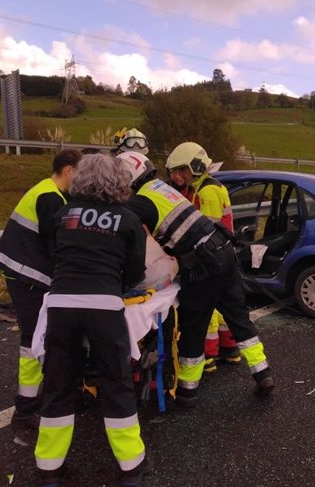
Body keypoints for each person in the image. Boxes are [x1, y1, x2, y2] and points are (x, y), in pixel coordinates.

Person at [117, 152, 274, 408]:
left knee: (193, 325)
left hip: (201, 264)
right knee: (238, 317)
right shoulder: (161, 188)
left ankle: (188, 392)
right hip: (223, 250)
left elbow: (123, 226)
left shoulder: (142, 201)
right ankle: (263, 373)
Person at [34, 154, 148, 487]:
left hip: (61, 304)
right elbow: (135, 273)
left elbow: (54, 254)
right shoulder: (127, 221)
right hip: (104, 305)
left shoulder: (62, 213)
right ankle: (131, 468)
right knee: (117, 383)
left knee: (58, 384)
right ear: (119, 181)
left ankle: (49, 470)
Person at [0, 148, 82, 430]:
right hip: (26, 276)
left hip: (25, 273)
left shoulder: (50, 193)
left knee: (42, 338)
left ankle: (42, 395)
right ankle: (25, 409)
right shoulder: (50, 198)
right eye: (79, 174)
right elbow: (56, 246)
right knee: (32, 342)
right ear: (69, 170)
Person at [166, 142, 241, 373]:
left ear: (194, 167)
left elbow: (205, 231)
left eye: (182, 171)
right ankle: (229, 349)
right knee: (222, 308)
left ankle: (208, 356)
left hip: (211, 258)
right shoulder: (206, 187)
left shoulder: (207, 191)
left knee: (206, 310)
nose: (179, 176)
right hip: (222, 256)